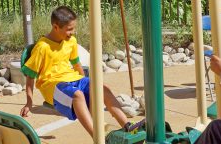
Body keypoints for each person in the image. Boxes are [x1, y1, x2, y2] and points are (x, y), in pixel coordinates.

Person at [20, 6, 145, 138]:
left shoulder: (71, 41)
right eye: (69, 29)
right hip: (53, 86)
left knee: (102, 88)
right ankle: (98, 137)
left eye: (74, 28)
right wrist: (29, 102)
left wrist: (87, 84)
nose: (73, 32)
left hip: (73, 80)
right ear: (56, 27)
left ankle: (127, 126)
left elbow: (77, 65)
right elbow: (30, 77)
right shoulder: (42, 47)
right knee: (78, 95)